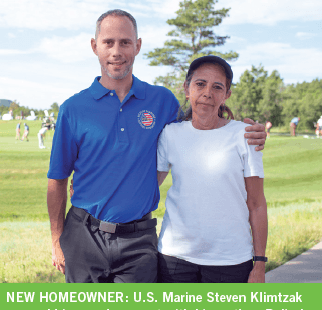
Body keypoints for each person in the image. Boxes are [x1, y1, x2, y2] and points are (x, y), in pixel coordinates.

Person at [48, 9, 267, 284]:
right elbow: (56, 181)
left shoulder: (161, 101)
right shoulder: (73, 109)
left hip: (138, 241)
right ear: (95, 47)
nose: (117, 51)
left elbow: (200, 124)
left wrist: (249, 133)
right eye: (108, 42)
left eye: (125, 42)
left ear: (137, 46)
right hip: (84, 234)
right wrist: (57, 241)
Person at [157, 56, 267, 283]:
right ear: (187, 89)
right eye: (200, 84)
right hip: (174, 257)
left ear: (226, 94)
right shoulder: (170, 134)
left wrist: (260, 264)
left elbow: (257, 204)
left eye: (217, 87)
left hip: (231, 260)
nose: (208, 92)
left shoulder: (245, 135)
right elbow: (146, 185)